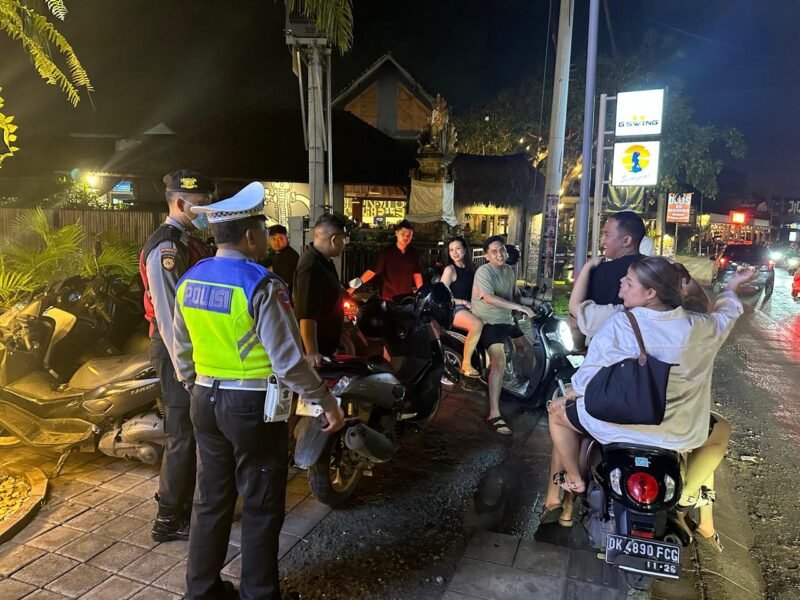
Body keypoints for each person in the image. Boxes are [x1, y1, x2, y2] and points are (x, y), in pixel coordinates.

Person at [172, 182, 345, 600]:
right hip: (252, 407)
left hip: (204, 399)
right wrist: (326, 403)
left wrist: (194, 385)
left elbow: (181, 348)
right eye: (264, 231)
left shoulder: (190, 279)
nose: (267, 238)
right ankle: (259, 594)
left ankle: (202, 591)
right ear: (250, 236)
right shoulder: (262, 284)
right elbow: (288, 362)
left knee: (211, 500)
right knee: (261, 504)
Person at [545, 257, 755, 543]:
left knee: (556, 414)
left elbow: (585, 380)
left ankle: (575, 479)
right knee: (722, 431)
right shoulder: (701, 327)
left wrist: (573, 391)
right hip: (678, 433)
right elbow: (727, 312)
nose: (622, 282)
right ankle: (687, 494)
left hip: (615, 426)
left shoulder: (620, 324)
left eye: (630, 281)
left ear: (651, 293)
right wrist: (732, 286)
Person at [139, 169, 214, 542]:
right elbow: (170, 318)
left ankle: (186, 507)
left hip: (189, 350)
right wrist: (186, 372)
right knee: (181, 435)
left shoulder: (187, 241)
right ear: (182, 203)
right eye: (202, 204)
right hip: (174, 354)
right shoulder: (166, 248)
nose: (207, 210)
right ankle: (168, 519)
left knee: (192, 433)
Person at [471, 235, 536, 436]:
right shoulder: (484, 272)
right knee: (498, 361)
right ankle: (494, 413)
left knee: (528, 349)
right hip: (489, 321)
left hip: (507, 319)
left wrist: (535, 303)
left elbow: (515, 296)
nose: (499, 254)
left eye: (502, 250)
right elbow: (488, 297)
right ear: (487, 256)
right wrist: (519, 307)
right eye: (494, 252)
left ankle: (528, 389)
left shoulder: (509, 270)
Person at [293, 213, 349, 366]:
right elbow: (306, 315)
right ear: (334, 239)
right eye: (344, 239)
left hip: (326, 349)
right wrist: (312, 353)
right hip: (317, 357)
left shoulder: (324, 261)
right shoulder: (311, 266)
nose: (345, 243)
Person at [440, 236, 483, 378]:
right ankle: (466, 364)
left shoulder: (472, 268)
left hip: (472, 307)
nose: (454, 252)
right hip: (455, 308)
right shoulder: (450, 270)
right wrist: (463, 302)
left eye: (458, 248)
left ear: (465, 250)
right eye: (451, 250)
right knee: (477, 325)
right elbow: (443, 296)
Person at [350, 219, 423, 301]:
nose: (406, 237)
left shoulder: (413, 253)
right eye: (403, 234)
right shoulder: (386, 252)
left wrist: (421, 293)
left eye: (409, 235)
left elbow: (417, 274)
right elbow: (372, 271)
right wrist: (353, 287)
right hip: (388, 297)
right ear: (396, 233)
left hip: (406, 298)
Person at [267, 224, 300, 295]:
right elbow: (276, 268)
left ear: (286, 238)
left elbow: (284, 285)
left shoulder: (289, 257)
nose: (276, 242)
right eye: (273, 239)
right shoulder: (281, 253)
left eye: (280, 238)